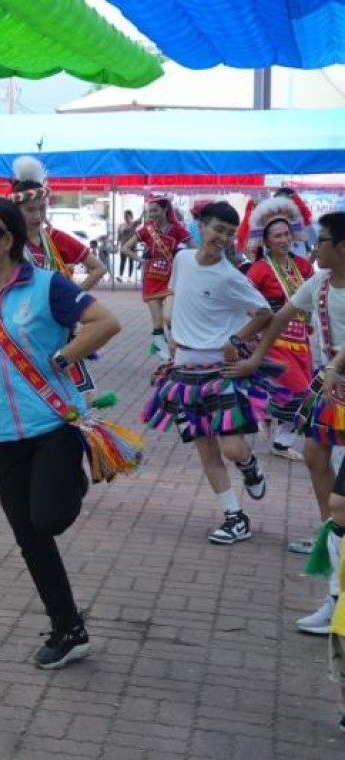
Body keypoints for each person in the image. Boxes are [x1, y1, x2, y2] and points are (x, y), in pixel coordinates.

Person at [0, 197, 134, 669]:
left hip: (52, 425)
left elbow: (107, 322)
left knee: (47, 518)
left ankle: (71, 480)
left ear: (7, 240)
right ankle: (69, 628)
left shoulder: (48, 286)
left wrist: (65, 357)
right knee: (30, 536)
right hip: (1, 433)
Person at [230, 213, 345, 634]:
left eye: (323, 241)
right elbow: (278, 318)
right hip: (333, 393)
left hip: (338, 385)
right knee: (316, 456)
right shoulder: (317, 283)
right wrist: (255, 357)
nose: (313, 248)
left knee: (341, 499)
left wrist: (333, 364)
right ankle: (332, 559)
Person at [142, 202, 273, 545]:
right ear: (200, 225)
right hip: (183, 373)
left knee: (231, 448)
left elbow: (264, 313)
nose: (223, 238)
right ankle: (234, 517)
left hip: (220, 371)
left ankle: (248, 465)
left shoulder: (230, 276)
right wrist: (171, 331)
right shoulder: (183, 259)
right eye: (218, 229)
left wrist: (235, 339)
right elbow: (174, 291)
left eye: (230, 234)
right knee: (206, 450)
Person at [243, 197, 314, 461]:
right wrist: (259, 318)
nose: (284, 240)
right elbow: (245, 299)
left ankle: (281, 441)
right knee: (298, 391)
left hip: (302, 341)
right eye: (277, 236)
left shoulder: (303, 266)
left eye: (286, 234)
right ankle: (262, 409)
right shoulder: (260, 269)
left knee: (306, 394)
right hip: (275, 341)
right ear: (267, 241)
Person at [8, 156, 108, 292]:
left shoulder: (55, 238)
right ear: (16, 210)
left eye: (42, 208)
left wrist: (74, 298)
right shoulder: (7, 242)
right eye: (30, 209)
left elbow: (100, 268)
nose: (38, 215)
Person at [123, 196, 193, 360]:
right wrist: (141, 260)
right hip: (152, 278)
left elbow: (194, 249)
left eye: (155, 210)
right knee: (157, 321)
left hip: (172, 279)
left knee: (170, 318)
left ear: (165, 209)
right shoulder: (147, 229)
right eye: (149, 211)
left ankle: (178, 349)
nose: (152, 214)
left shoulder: (177, 229)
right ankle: (165, 356)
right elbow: (125, 248)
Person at [116, 210, 139, 281]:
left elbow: (139, 221)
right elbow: (119, 236)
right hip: (123, 245)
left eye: (128, 215)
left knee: (131, 261)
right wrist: (117, 245)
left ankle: (129, 277)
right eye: (125, 215)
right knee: (122, 261)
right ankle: (120, 276)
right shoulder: (121, 225)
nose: (126, 217)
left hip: (131, 245)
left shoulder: (133, 224)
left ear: (131, 216)